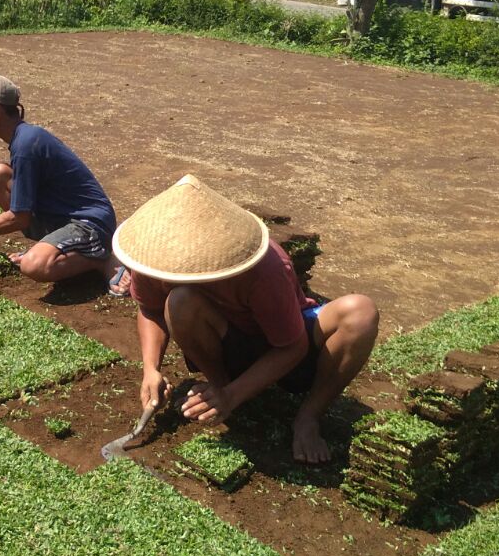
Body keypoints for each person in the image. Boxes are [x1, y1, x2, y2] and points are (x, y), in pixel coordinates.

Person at [113, 174, 379, 464]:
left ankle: (307, 417)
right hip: (231, 342)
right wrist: (151, 368)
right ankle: (220, 385)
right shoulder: (155, 258)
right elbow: (150, 310)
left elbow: (292, 346)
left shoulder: (264, 268)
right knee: (180, 301)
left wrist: (234, 395)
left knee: (360, 313)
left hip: (288, 346)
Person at [0, 73, 123, 288]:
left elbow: (20, 218)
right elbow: (23, 212)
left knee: (34, 266)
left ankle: (102, 260)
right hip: (62, 217)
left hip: (89, 223)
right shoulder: (23, 138)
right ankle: (54, 245)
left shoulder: (26, 145)